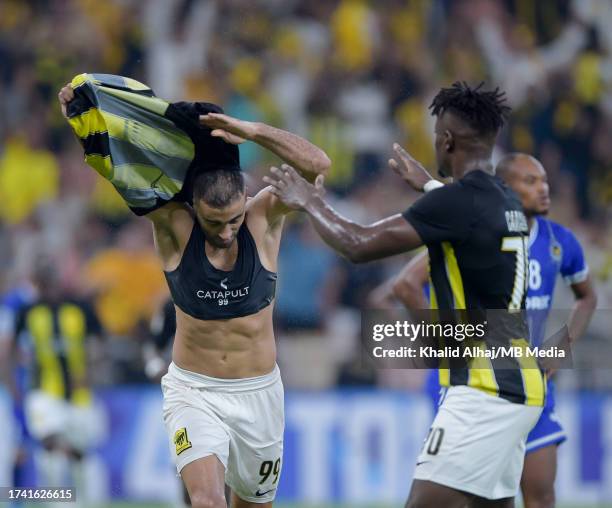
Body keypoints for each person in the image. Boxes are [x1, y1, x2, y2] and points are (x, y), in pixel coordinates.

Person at [264, 82, 546, 507]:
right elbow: (468, 216)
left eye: (436, 136)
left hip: (483, 388)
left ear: (447, 140)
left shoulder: (455, 203)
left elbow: (357, 244)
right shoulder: (506, 198)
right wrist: (431, 187)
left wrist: (309, 202)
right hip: (518, 380)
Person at [58, 82, 330, 508]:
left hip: (259, 393)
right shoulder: (173, 225)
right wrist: (84, 119)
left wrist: (253, 130)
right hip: (193, 390)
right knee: (206, 501)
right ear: (193, 208)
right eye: (214, 222)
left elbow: (317, 165)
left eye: (233, 220)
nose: (225, 232)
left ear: (245, 201)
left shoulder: (263, 217)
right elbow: (118, 167)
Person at [373, 153, 598, 508]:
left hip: (529, 378)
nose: (544, 189)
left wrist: (559, 347)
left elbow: (587, 298)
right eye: (531, 181)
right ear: (506, 189)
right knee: (469, 496)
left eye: (545, 181)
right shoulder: (480, 234)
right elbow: (403, 285)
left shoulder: (560, 241)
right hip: (478, 381)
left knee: (540, 493)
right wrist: (445, 343)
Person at [9, 258, 106, 502]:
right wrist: (13, 384)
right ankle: (56, 502)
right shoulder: (27, 312)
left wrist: (89, 371)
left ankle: (82, 501)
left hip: (79, 395)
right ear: (38, 283)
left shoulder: (80, 308)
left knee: (78, 454)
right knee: (50, 443)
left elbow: (98, 343)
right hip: (43, 391)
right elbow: (10, 350)